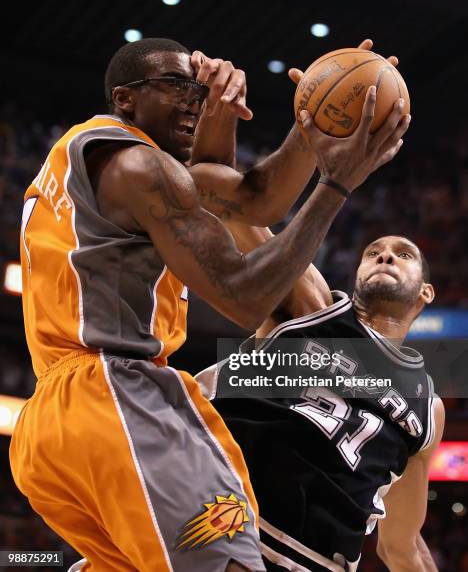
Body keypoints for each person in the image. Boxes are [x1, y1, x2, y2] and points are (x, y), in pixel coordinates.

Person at [10, 37, 408, 572]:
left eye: (197, 88)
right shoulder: (141, 168)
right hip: (116, 395)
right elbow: (246, 297)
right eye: (178, 86)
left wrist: (311, 124)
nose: (195, 99)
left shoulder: (95, 156)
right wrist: (336, 185)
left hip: (49, 428)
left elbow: (251, 200)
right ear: (126, 98)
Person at [202, 224, 445, 572]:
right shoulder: (312, 306)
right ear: (357, 275)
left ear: (426, 292)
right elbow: (241, 216)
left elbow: (401, 546)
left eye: (403, 255)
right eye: (373, 253)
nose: (385, 256)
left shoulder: (428, 408)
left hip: (311, 562)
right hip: (217, 518)